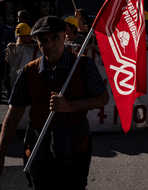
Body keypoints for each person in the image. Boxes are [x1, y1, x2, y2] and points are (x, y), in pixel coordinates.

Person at [0, 16, 109, 189]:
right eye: (43, 40)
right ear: (36, 41)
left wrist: (69, 106)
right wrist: (1, 149)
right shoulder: (29, 71)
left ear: (65, 35)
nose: (49, 44)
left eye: (54, 38)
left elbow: (103, 99)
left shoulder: (83, 65)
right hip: (38, 148)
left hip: (74, 148)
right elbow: (15, 111)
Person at [0, 15, 15, 93]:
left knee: (6, 78)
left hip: (4, 58)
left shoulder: (8, 29)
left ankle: (9, 93)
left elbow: (13, 41)